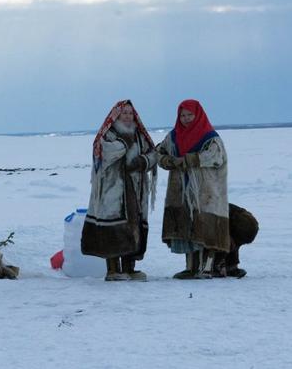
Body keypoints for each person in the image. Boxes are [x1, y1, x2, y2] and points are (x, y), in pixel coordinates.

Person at [81, 100, 158, 281]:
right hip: (112, 188)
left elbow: (153, 153)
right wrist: (124, 143)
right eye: (124, 113)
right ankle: (113, 269)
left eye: (130, 114)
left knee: (134, 225)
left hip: (135, 187)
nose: (128, 116)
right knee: (114, 225)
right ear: (116, 115)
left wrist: (142, 161)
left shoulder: (140, 135)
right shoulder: (109, 134)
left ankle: (130, 268)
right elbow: (104, 153)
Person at [157, 99, 230, 279]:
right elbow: (158, 151)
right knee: (187, 226)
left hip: (206, 191)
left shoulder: (210, 137)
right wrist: (168, 161)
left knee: (206, 227)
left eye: (190, 115)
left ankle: (207, 267)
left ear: (198, 115)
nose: (186, 119)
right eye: (183, 115)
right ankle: (191, 267)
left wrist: (190, 160)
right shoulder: (173, 136)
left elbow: (216, 157)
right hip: (181, 190)